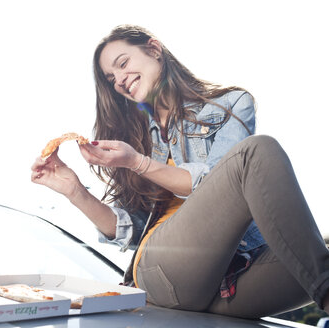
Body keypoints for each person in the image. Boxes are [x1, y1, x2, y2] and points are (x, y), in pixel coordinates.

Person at [31, 25, 329, 319]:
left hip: (230, 278)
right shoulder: (133, 138)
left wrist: (138, 162)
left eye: (122, 64)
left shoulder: (232, 104)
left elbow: (217, 185)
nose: (119, 80)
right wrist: (75, 190)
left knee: (313, 250)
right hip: (161, 270)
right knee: (258, 150)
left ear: (154, 49)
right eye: (111, 79)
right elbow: (127, 228)